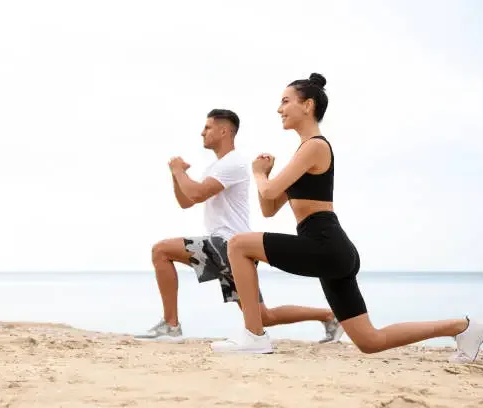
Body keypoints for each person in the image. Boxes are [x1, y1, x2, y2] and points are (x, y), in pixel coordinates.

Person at [209, 74, 483, 362]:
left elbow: (267, 190)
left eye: (285, 101)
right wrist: (264, 175)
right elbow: (269, 208)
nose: (279, 109)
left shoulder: (315, 146)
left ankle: (254, 336)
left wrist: (257, 174)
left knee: (238, 244)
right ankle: (464, 327)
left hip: (324, 243)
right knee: (370, 340)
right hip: (331, 249)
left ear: (307, 105)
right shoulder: (303, 152)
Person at [135, 108, 344, 344]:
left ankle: (171, 326)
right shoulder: (216, 167)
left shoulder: (233, 163)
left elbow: (196, 194)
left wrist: (177, 170)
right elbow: (185, 201)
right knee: (263, 316)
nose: (202, 133)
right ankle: (328, 316)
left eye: (207, 127)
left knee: (160, 251)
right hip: (234, 251)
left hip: (225, 244)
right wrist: (177, 176)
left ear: (224, 131)